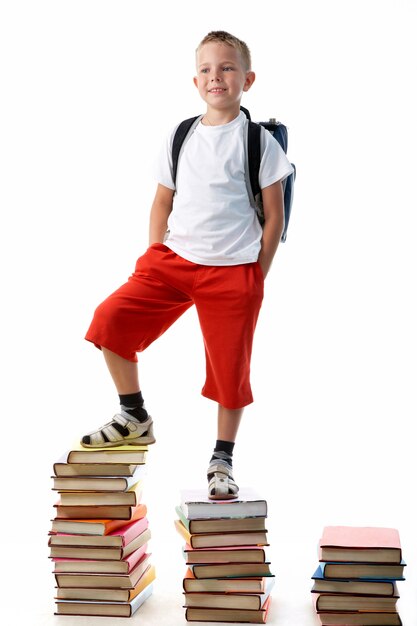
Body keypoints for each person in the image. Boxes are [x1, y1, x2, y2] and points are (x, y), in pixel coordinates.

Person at [81, 30, 294, 500]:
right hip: (173, 262)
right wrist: (156, 253)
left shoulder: (260, 142)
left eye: (227, 68)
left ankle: (222, 458)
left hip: (233, 272)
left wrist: (257, 273)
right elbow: (162, 201)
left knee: (229, 370)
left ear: (248, 79)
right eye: (206, 69)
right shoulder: (181, 135)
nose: (215, 76)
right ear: (195, 80)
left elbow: (275, 216)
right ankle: (133, 413)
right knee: (110, 320)